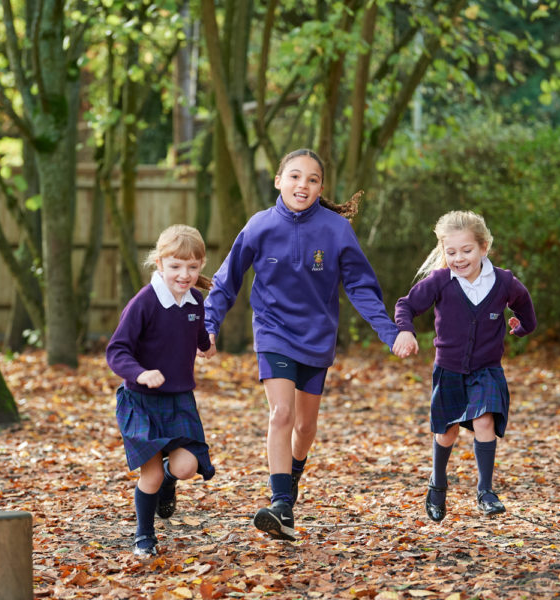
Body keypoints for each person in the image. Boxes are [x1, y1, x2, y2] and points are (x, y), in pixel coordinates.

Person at [204, 148, 402, 541]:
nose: (302, 185)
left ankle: (292, 477)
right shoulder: (259, 226)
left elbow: (361, 287)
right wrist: (209, 325)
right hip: (274, 331)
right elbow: (227, 281)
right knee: (281, 413)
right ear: (279, 181)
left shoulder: (336, 230)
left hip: (317, 336)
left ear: (320, 188)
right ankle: (281, 502)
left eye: (312, 179)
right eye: (294, 176)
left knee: (306, 426)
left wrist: (391, 332)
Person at [393, 210, 536, 522]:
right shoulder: (440, 281)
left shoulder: (504, 282)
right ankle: (437, 484)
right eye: (451, 251)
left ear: (484, 247)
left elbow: (525, 306)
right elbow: (406, 305)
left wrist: (522, 327)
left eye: (466, 250)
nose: (458, 258)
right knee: (447, 432)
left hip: (487, 368)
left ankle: (486, 491)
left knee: (485, 421)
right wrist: (405, 330)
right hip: (449, 370)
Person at [106, 224, 217, 557]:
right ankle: (144, 537)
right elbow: (116, 351)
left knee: (185, 468)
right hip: (142, 401)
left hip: (179, 399)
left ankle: (171, 480)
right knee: (150, 476)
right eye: (176, 266)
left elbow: (194, 332)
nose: (184, 274)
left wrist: (206, 344)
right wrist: (140, 374)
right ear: (160, 263)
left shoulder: (195, 300)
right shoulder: (145, 302)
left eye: (193, 267)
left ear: (201, 265)